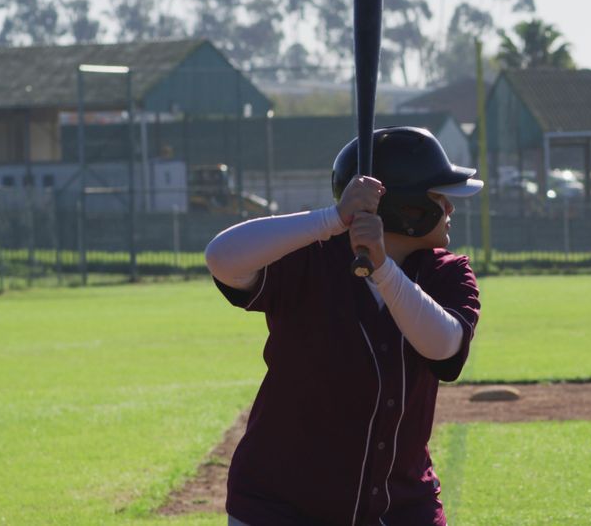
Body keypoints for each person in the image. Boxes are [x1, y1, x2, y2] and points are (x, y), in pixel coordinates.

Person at [204, 126, 483, 526]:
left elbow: (442, 346)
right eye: (440, 197)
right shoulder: (310, 257)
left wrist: (383, 268)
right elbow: (222, 258)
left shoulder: (449, 273)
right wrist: (333, 218)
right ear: (409, 209)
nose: (451, 209)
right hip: (280, 507)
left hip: (400, 507)